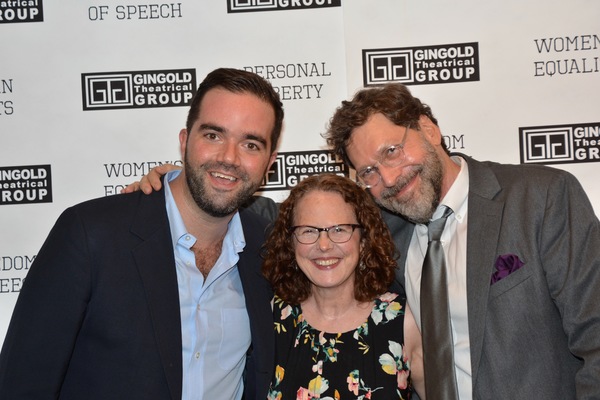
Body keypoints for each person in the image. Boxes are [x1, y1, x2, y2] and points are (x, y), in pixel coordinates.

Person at [124, 83, 600, 399]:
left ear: (430, 130)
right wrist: (185, 185)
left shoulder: (541, 198)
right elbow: (299, 214)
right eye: (369, 170)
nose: (390, 177)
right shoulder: (383, 223)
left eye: (392, 150)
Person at [0, 67, 283, 400]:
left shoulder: (271, 251)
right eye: (213, 135)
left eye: (251, 144)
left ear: (270, 163)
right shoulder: (91, 236)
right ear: (184, 141)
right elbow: (21, 385)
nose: (228, 158)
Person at [262, 173, 424, 399]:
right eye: (308, 230)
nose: (324, 245)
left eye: (339, 229)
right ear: (290, 242)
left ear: (364, 238)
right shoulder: (272, 319)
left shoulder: (404, 322)